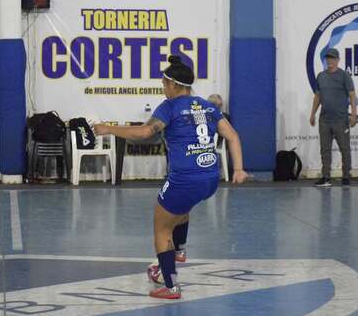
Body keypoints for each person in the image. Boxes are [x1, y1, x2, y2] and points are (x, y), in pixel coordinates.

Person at [93, 56, 248, 299]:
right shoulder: (208, 107)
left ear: (175, 85)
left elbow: (145, 132)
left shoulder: (169, 107)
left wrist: (108, 129)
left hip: (184, 179)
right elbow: (233, 136)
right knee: (182, 208)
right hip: (210, 178)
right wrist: (238, 168)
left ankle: (171, 285)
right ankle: (180, 250)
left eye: (164, 84)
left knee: (161, 230)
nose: (163, 88)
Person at [309, 48, 358, 187]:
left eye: (333, 58)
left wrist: (354, 114)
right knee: (325, 150)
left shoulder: (344, 76)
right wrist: (312, 113)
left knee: (344, 149)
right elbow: (318, 96)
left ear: (338, 60)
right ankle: (326, 177)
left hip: (341, 120)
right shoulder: (321, 76)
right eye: (328, 58)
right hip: (324, 120)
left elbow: (352, 95)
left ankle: (346, 177)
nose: (330, 60)